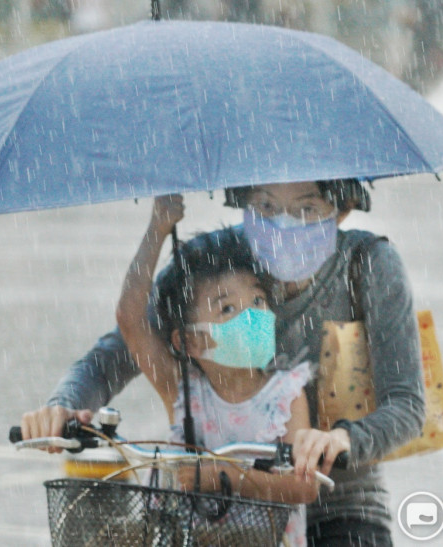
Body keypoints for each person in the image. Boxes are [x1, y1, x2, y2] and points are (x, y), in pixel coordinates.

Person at [22, 179, 426, 546]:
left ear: (342, 208)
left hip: (343, 505)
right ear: (243, 202)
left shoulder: (369, 264)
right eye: (265, 206)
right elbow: (118, 348)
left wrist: (341, 440)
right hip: (212, 516)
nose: (283, 224)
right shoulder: (210, 263)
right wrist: (64, 406)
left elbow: (407, 406)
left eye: (307, 208)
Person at [116, 194, 320, 546]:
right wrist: (158, 229)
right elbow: (130, 319)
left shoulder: (286, 395)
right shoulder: (182, 390)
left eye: (257, 301)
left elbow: (303, 486)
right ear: (189, 343)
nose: (251, 316)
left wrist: (224, 476)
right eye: (226, 309)